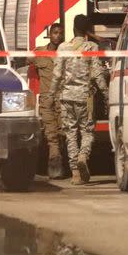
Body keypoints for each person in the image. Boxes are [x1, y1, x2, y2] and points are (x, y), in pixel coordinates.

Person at [48, 15, 109, 185]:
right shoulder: (92, 47)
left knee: (71, 133)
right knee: (87, 132)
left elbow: (57, 74)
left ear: (73, 28)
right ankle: (83, 156)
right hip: (85, 98)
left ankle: (75, 173)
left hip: (66, 97)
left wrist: (51, 95)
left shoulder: (63, 47)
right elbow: (97, 74)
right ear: (87, 30)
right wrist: (106, 94)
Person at [31, 23, 65, 179]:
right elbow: (20, 61)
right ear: (50, 34)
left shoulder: (66, 53)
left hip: (62, 99)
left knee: (62, 133)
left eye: (60, 33)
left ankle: (60, 163)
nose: (57, 36)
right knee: (51, 134)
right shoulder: (40, 53)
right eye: (55, 33)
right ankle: (54, 164)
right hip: (47, 100)